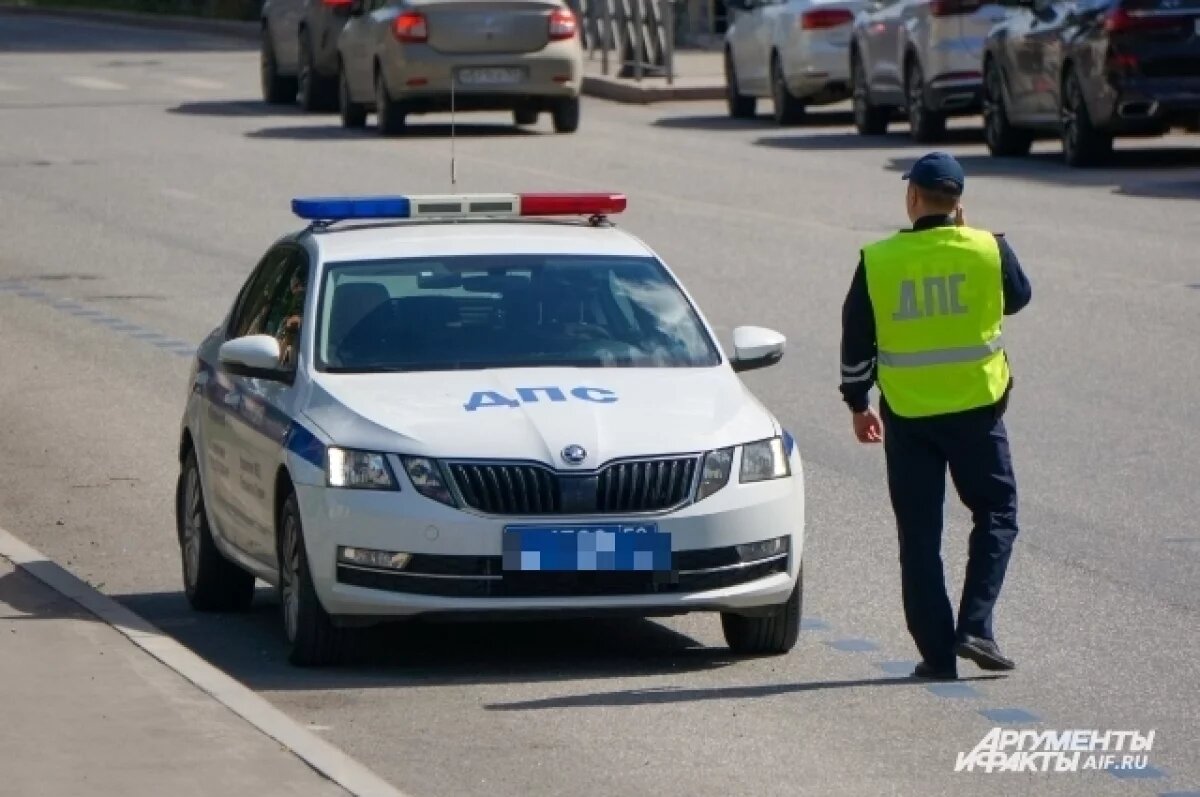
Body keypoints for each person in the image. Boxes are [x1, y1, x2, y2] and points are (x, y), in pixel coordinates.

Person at [839, 152, 1032, 681]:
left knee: (920, 535)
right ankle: (976, 627)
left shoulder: (880, 260)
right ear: (958, 202)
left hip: (909, 416)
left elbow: (856, 338)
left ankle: (938, 655)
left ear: (912, 197)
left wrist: (857, 402)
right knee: (996, 512)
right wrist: (971, 238)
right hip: (977, 412)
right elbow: (1018, 298)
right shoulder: (989, 248)